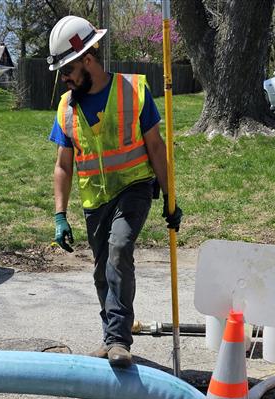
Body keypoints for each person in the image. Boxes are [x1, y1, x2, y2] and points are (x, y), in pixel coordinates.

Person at [47, 15, 182, 368]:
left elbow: (156, 148)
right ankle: (110, 340)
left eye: (68, 70)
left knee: (120, 250)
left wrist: (170, 197)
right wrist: (60, 215)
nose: (64, 78)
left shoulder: (133, 91)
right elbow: (63, 166)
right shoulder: (66, 107)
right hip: (95, 200)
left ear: (87, 59)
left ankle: (119, 340)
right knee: (102, 270)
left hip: (134, 187)